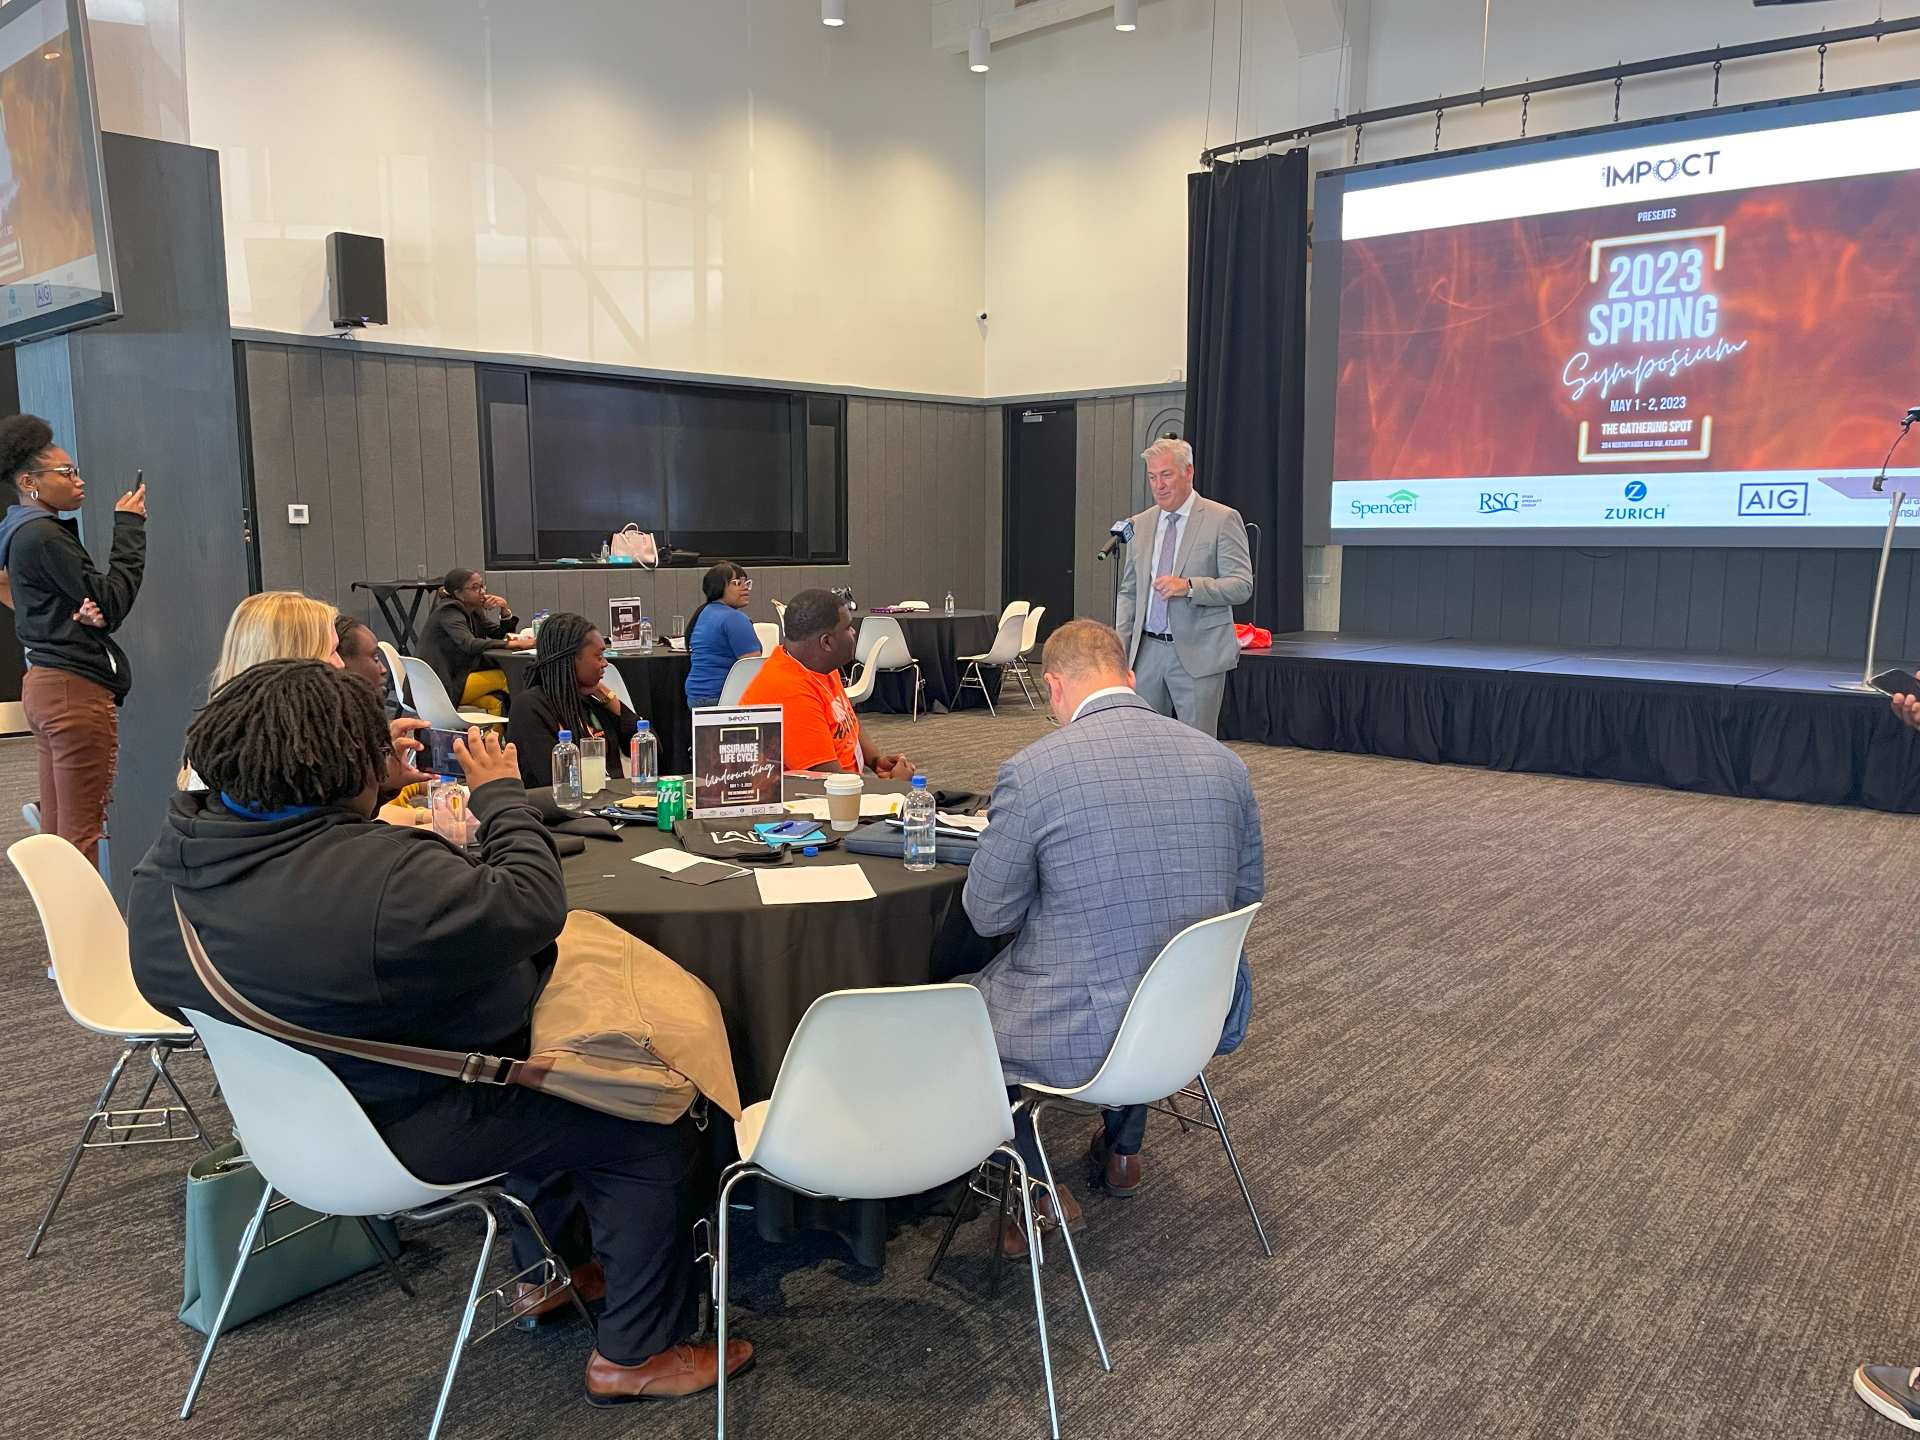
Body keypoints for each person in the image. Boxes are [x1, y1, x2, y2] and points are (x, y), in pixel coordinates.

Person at [125, 661, 751, 1402]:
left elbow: (187, 991)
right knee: (648, 1115)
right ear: (350, 767)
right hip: (409, 1118)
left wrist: (362, 786)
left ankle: (549, 1274)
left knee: (535, 1083)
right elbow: (532, 905)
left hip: (290, 1125)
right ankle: (637, 1353)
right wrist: (499, 796)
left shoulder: (165, 870)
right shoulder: (385, 876)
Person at [963, 619, 1263, 1251]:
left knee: (958, 1008)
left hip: (1082, 1031)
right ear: (1128, 676)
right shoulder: (1226, 765)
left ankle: (1035, 1189)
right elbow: (1245, 895)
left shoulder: (1033, 771)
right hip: (1190, 1020)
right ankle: (1124, 1149)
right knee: (1140, 960)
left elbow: (988, 915)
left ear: (1053, 687)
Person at [0, 414, 146, 866]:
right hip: (73, 691)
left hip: (44, 686)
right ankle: (81, 913)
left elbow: (20, 589)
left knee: (59, 830)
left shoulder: (15, 528)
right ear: (29, 482)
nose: (79, 481)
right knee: (80, 836)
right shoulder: (44, 535)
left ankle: (60, 912)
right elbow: (113, 602)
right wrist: (130, 527)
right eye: (66, 473)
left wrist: (70, 618)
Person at [1113, 437, 1253, 738]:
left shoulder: (1222, 519)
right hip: (1146, 653)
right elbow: (1129, 592)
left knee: (1197, 745)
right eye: (1152, 477)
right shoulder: (1139, 524)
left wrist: (1189, 586)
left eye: (1166, 475)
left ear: (1188, 472)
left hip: (1198, 653)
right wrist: (1121, 649)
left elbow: (1242, 586)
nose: (1159, 485)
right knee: (1144, 742)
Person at [739, 587, 910, 777]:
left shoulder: (819, 666)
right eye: (848, 627)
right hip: (819, 790)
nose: (853, 632)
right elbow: (829, 781)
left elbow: (848, 722)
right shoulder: (788, 691)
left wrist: (876, 760)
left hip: (847, 782)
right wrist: (896, 785)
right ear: (826, 642)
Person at [507, 611, 640, 788]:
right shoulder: (529, 708)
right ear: (570, 659)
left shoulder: (593, 700)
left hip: (612, 799)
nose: (605, 663)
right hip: (570, 804)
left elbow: (648, 748)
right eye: (598, 656)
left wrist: (609, 699)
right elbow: (550, 783)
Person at [416, 567, 532, 715]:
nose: (482, 592)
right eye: (475, 588)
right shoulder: (449, 610)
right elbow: (470, 644)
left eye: (482, 586)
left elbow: (498, 634)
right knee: (508, 678)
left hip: (457, 676)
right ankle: (524, 723)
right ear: (458, 593)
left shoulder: (472, 609)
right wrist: (513, 644)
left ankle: (501, 730)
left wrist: (504, 610)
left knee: (498, 701)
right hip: (441, 684)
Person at [685, 562, 760, 709]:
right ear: (718, 587)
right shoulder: (734, 618)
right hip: (721, 697)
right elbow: (752, 667)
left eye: (746, 583)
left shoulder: (704, 612)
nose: (745, 588)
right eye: (737, 583)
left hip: (696, 695)